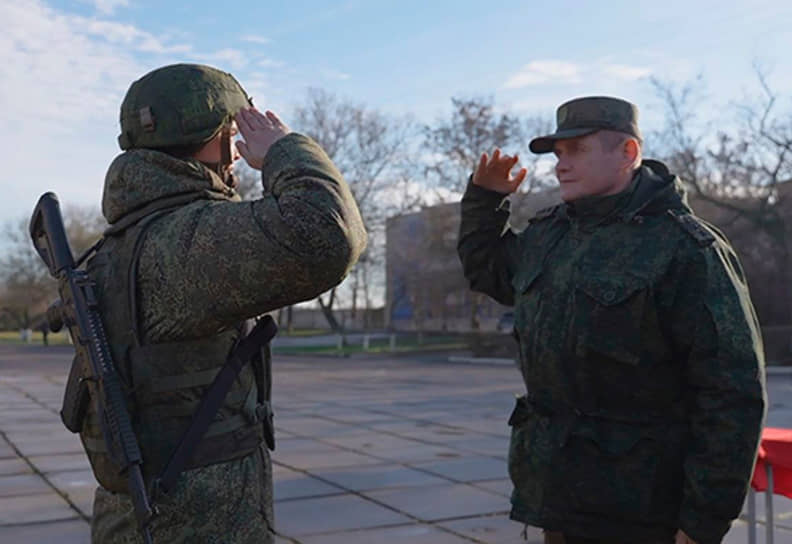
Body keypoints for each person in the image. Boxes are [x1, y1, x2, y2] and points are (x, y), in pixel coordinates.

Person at [457, 96, 766, 544]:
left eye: (577, 149)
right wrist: (485, 201)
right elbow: (488, 271)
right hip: (559, 496)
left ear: (628, 153)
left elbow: (731, 393)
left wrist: (702, 522)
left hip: (643, 510)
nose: (561, 164)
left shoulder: (685, 249)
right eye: (558, 154)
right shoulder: (550, 235)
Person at [80, 63, 366, 542]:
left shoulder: (124, 239)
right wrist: (284, 150)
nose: (236, 151)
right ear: (211, 137)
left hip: (141, 512)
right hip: (199, 519)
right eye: (231, 133)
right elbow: (328, 234)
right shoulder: (185, 239)